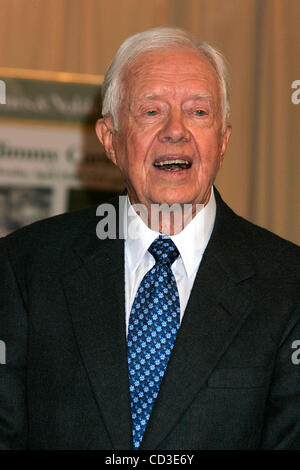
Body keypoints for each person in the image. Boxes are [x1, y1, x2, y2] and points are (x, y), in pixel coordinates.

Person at [0, 27, 299, 450]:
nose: (175, 131)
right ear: (110, 140)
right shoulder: (24, 267)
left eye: (198, 112)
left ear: (224, 139)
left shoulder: (287, 283)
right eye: (151, 111)